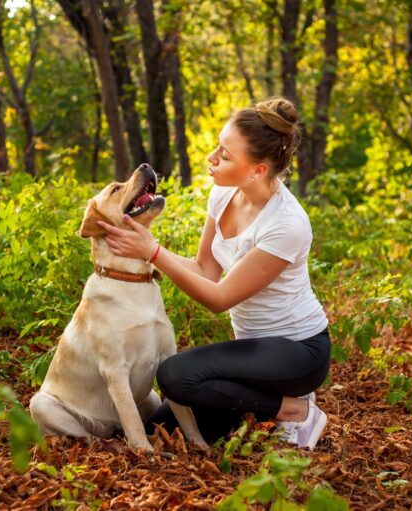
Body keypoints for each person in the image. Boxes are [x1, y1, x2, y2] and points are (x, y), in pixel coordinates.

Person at [97, 96, 331, 450]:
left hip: (298, 352)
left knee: (175, 375)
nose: (212, 158)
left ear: (258, 170)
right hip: (251, 352)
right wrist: (147, 249)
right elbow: (206, 270)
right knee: (159, 428)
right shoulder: (223, 195)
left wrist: (153, 252)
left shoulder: (287, 224)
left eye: (225, 154)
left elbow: (219, 299)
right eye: (217, 147)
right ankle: (257, 404)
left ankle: (296, 409)